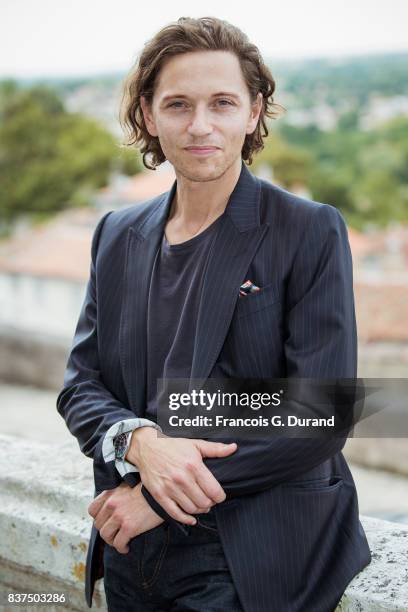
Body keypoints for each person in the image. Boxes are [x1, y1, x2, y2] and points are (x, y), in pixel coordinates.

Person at [56, 16, 372, 612]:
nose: (200, 126)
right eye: (178, 104)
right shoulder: (117, 233)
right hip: (131, 549)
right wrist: (141, 443)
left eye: (222, 103)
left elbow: (323, 410)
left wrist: (159, 494)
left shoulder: (307, 229)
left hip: (248, 550)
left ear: (253, 112)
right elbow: (81, 386)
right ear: (149, 115)